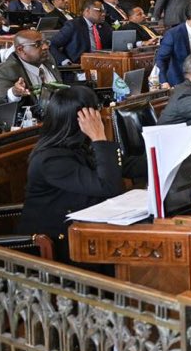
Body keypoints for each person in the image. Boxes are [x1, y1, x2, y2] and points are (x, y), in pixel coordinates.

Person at [19, 87, 123, 261]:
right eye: (95, 113)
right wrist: (98, 137)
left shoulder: (76, 145)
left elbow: (121, 166)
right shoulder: (51, 160)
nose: (99, 117)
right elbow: (108, 186)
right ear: (81, 120)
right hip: (57, 244)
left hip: (80, 231)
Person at [0, 30, 60, 105]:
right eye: (37, 44)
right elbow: (1, 97)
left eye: (46, 42)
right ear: (20, 49)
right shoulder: (8, 70)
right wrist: (14, 92)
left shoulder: (48, 59)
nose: (45, 47)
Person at [49, 0, 113, 65]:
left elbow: (112, 44)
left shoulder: (104, 26)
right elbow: (52, 44)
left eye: (104, 11)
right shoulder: (73, 25)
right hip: (79, 67)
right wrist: (65, 61)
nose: (103, 13)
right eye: (99, 10)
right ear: (87, 11)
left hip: (103, 64)